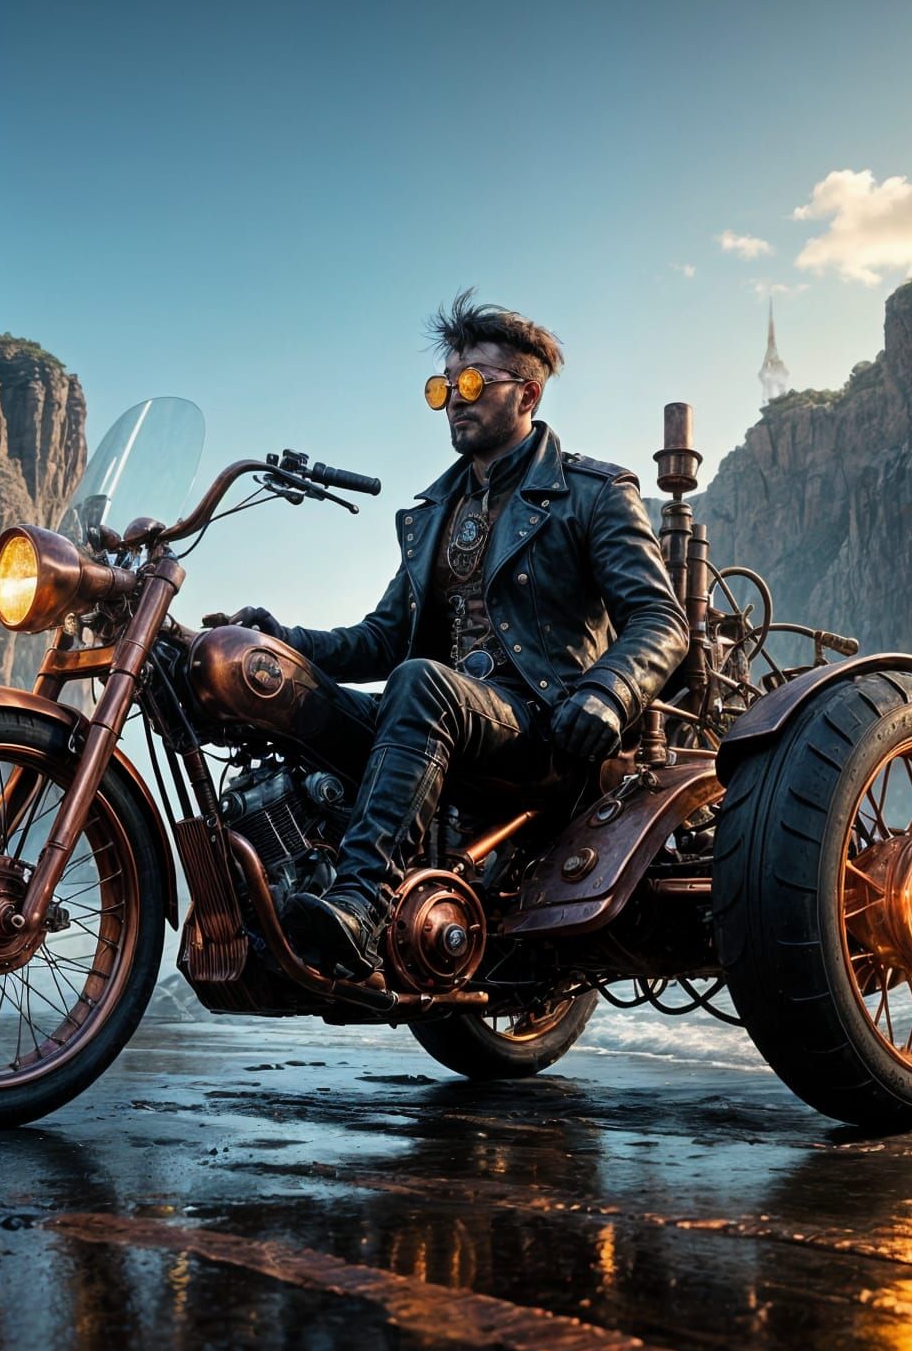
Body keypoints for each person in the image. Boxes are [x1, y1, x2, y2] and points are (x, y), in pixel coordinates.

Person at [208, 291, 688, 978]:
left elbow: (660, 618)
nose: (453, 401)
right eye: (443, 387)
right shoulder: (437, 509)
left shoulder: (593, 492)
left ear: (528, 393)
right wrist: (281, 640)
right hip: (441, 715)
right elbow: (381, 637)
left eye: (470, 384)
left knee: (418, 682)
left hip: (546, 726)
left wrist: (609, 693)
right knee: (274, 689)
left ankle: (362, 906)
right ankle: (264, 903)